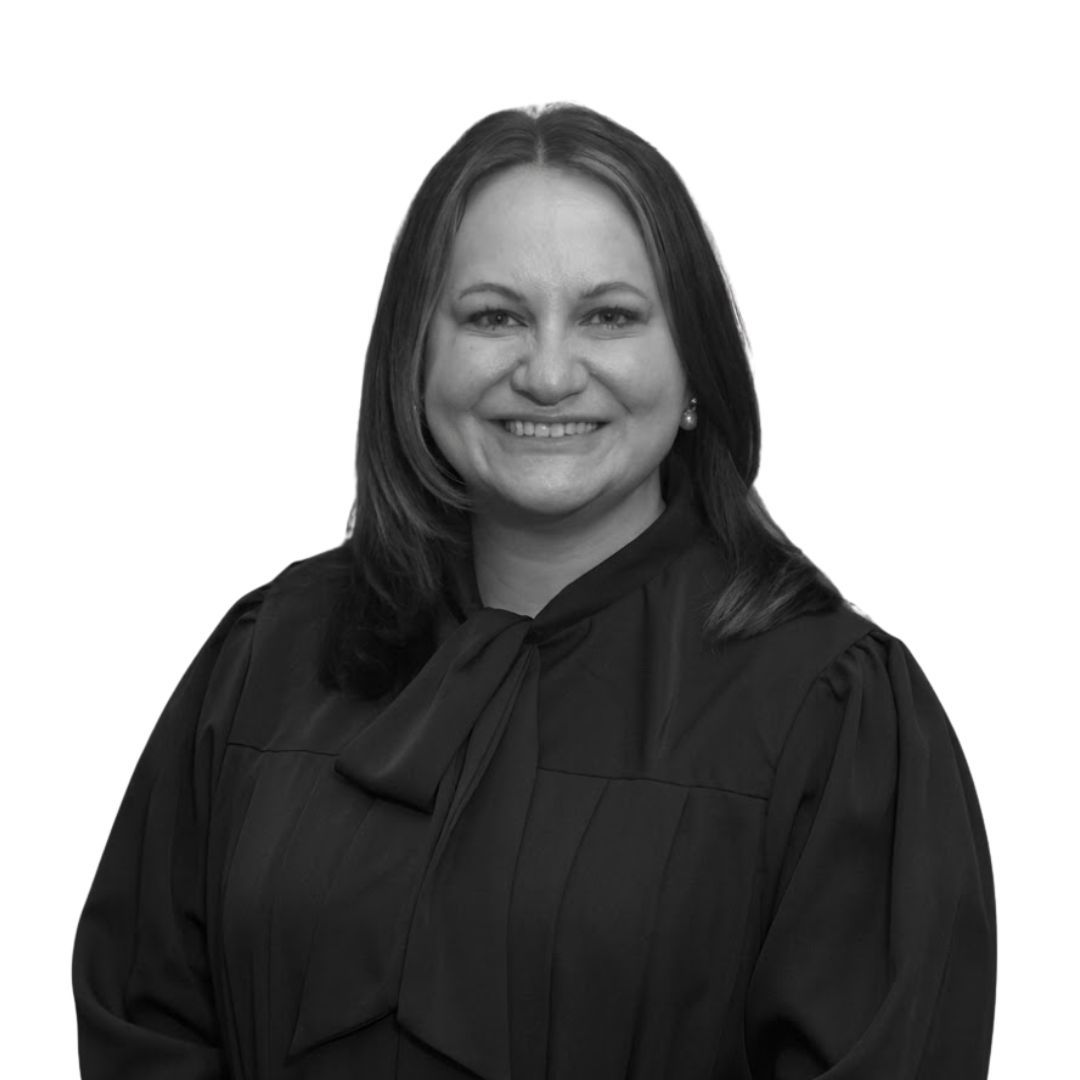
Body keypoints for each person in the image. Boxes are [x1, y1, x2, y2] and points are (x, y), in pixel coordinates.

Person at [72, 103, 997, 1079]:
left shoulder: (833, 715)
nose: (549, 373)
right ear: (415, 357)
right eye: (494, 316)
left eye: (610, 316)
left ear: (694, 369)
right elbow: (146, 1021)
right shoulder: (272, 658)